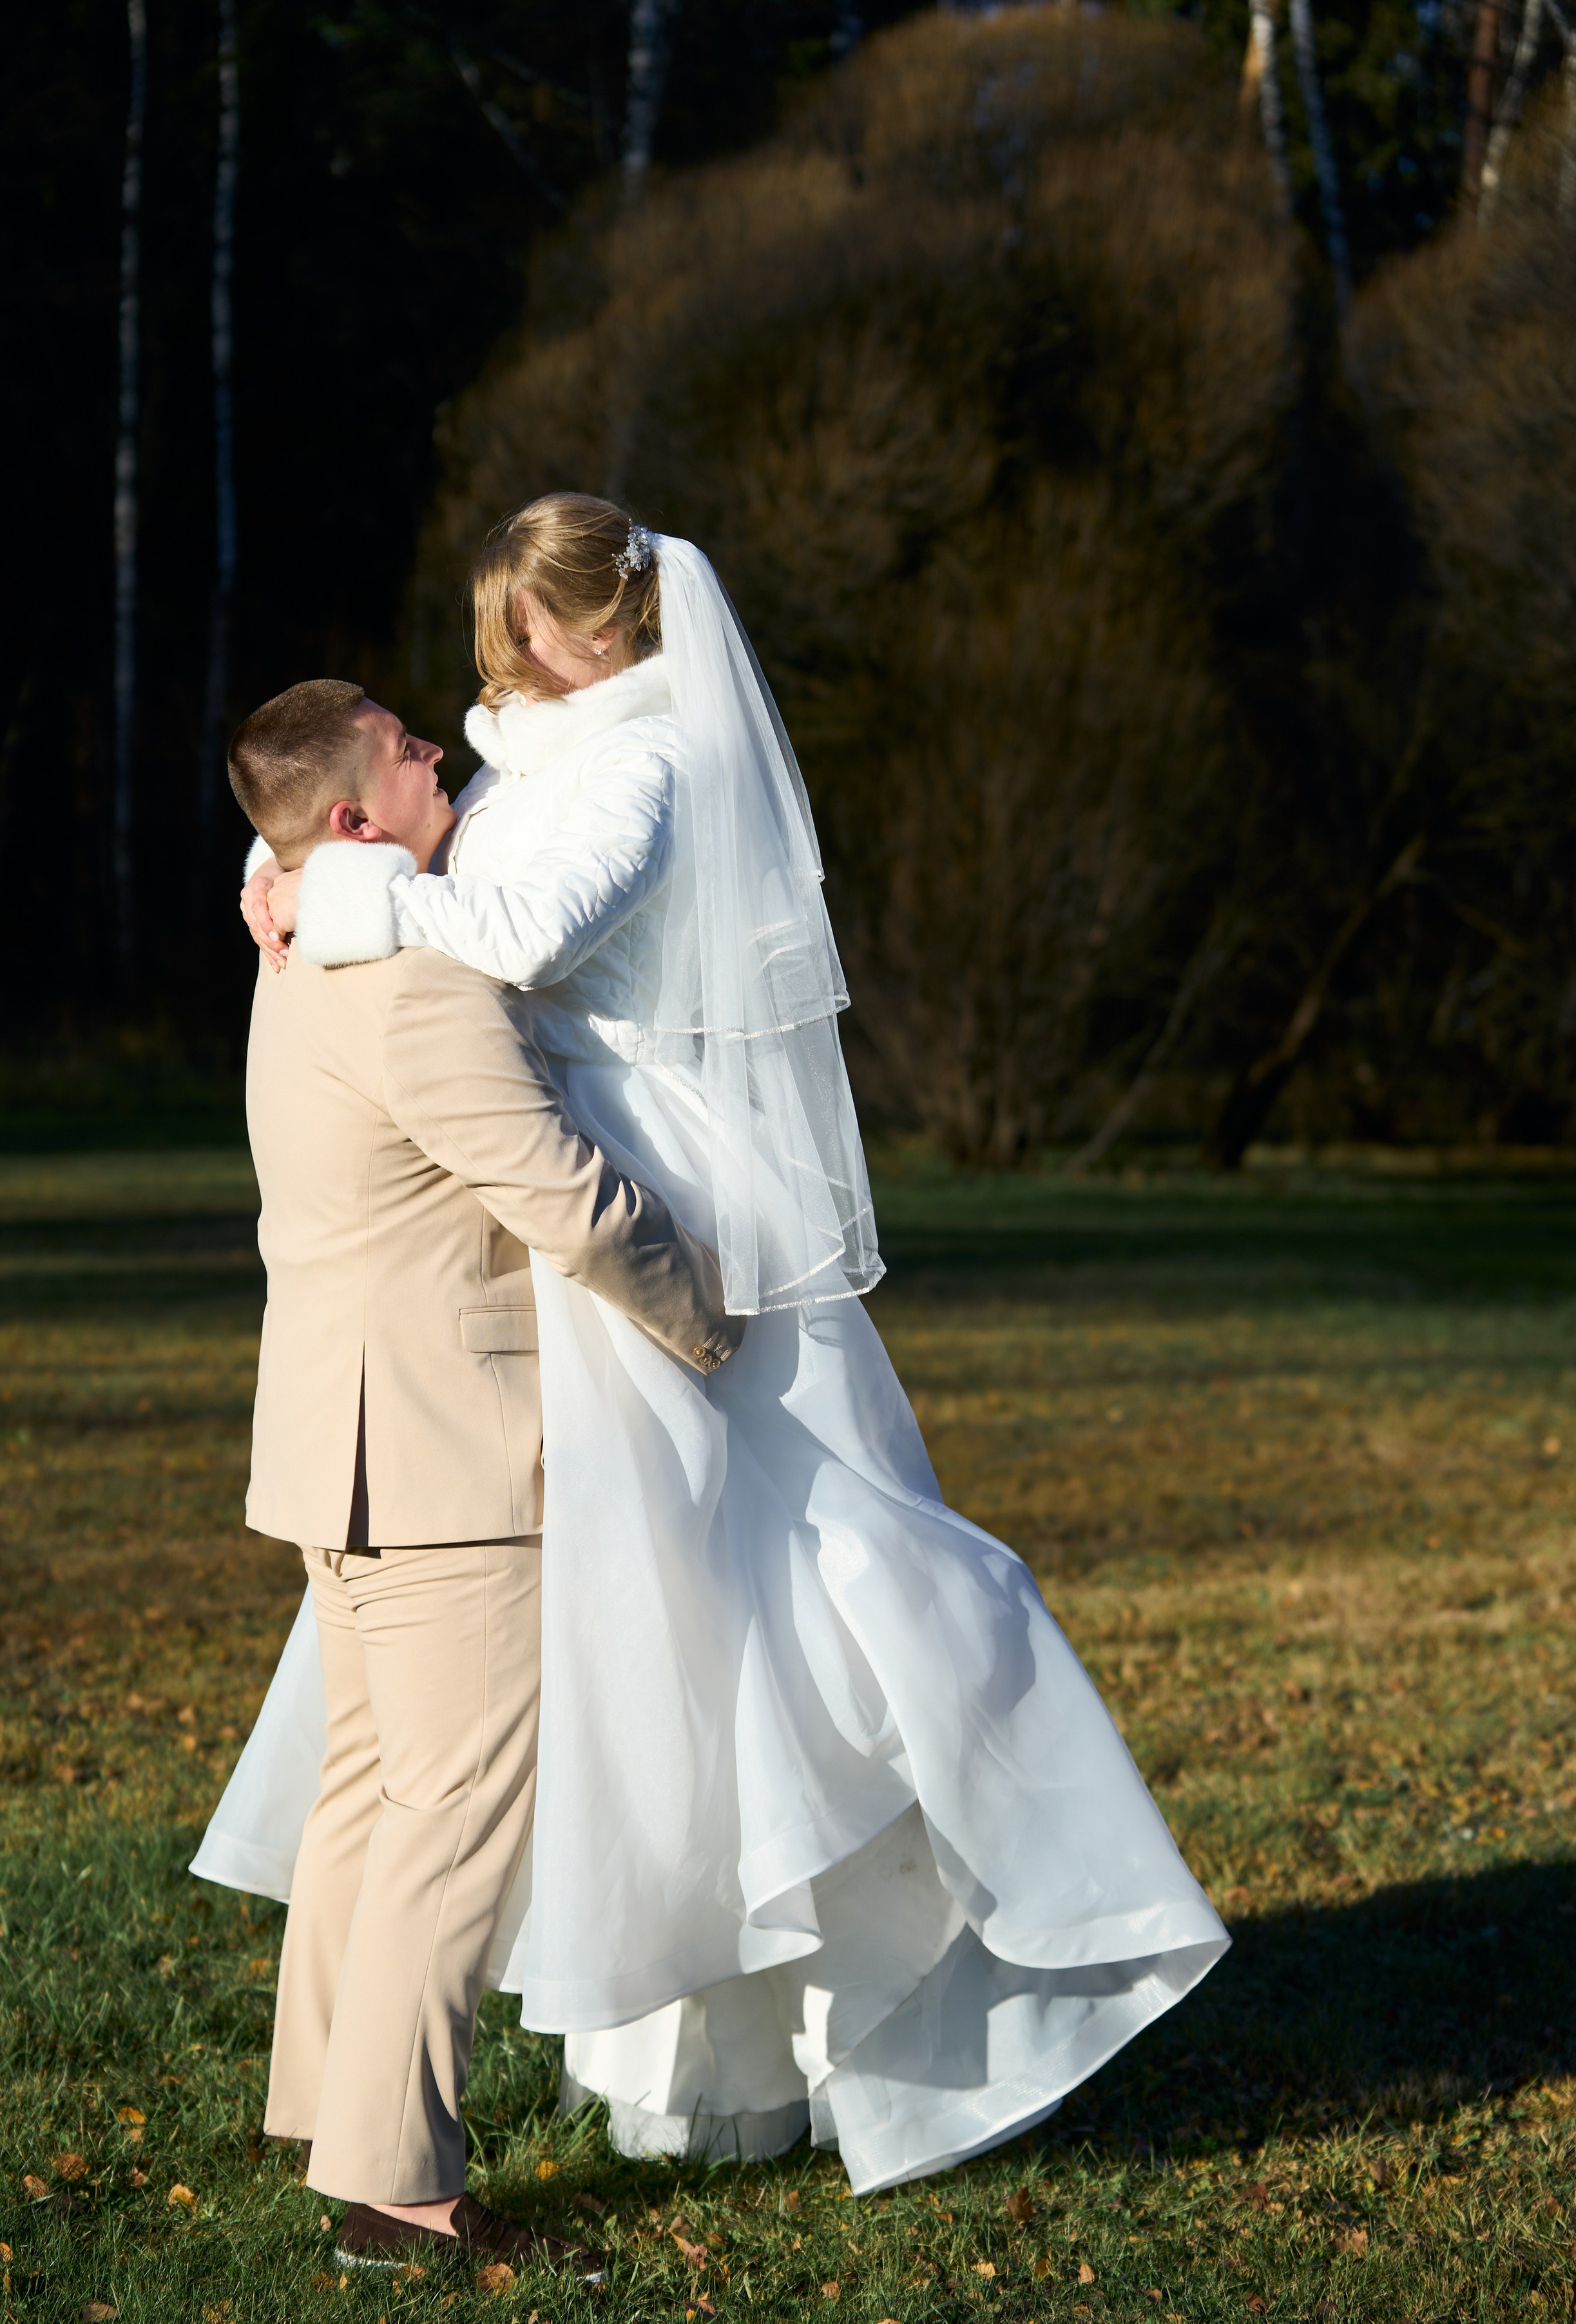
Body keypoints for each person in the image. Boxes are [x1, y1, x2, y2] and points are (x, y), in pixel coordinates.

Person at [198, 497, 1228, 2196]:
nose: (479, 680)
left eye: (526, 626)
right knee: (500, 1737)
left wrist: (320, 880)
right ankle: (382, 2157)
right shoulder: (500, 782)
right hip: (527, 1295)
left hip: (591, 1234)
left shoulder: (643, 767)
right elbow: (388, 846)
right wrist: (290, 866)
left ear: (605, 625)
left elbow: (514, 928)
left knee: (737, 1623)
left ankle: (420, 2106)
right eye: (490, 642)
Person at [222, 673, 740, 2267]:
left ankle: (331, 2113)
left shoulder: (294, 944)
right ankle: (399, 2193)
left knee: (373, 1790)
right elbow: (558, 1192)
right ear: (354, 816)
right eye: (404, 748)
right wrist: (712, 1313)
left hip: (335, 1442)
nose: (437, 745)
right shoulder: (413, 980)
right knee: (453, 1815)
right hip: (442, 1453)